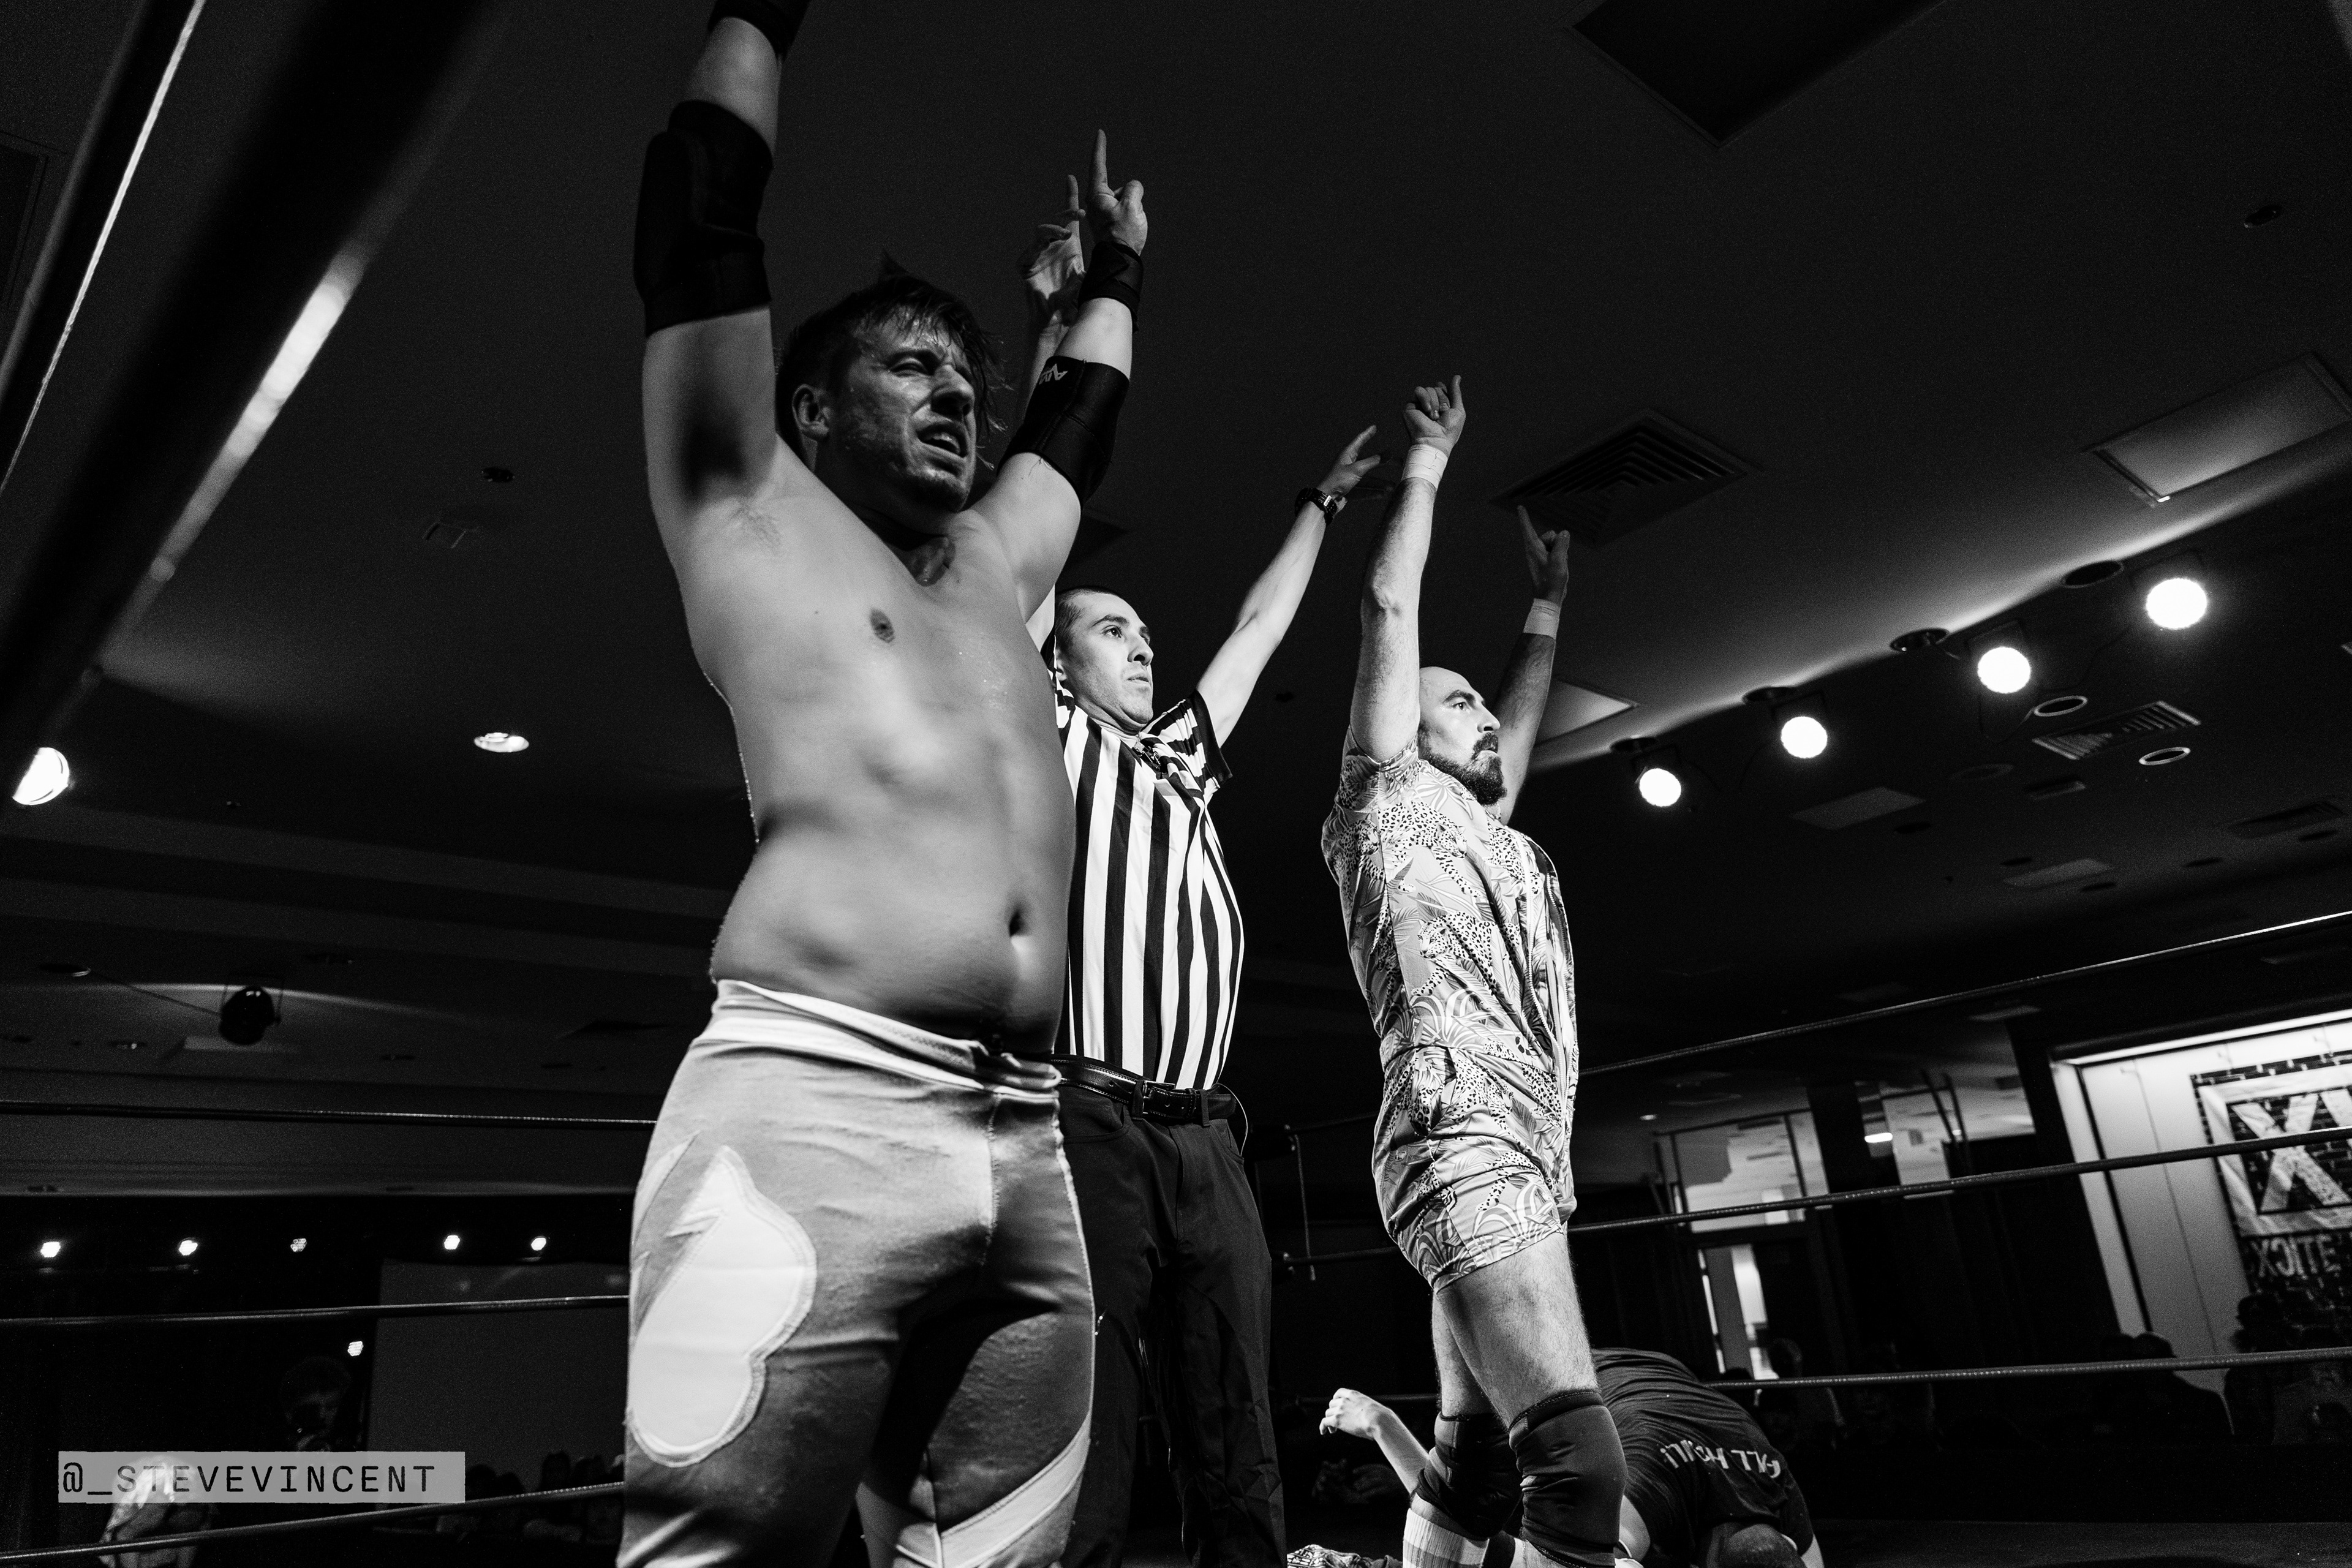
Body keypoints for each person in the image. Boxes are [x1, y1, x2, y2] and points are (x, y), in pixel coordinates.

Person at [622, 2, 1148, 1564]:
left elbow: (1078, 425)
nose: (956, 394)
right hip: (809, 1109)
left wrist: (1118, 274)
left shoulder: (989, 566)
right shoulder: (745, 505)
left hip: (1029, 1139)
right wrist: (760, 15)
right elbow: (698, 218)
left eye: (965, 375)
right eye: (912, 364)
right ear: (809, 407)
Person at [1033, 423, 1384, 1568]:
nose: (1143, 647)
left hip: (1207, 1135)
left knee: (1235, 1407)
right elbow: (1017, 577)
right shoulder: (1046, 732)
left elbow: (1259, 628)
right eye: (1112, 631)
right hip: (1093, 1118)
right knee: (1091, 1409)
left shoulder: (1180, 756)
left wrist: (1318, 506)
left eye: (1145, 632)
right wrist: (1059, 386)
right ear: (1056, 662)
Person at [1319, 378, 1620, 1568]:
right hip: (1463, 1130)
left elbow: (1518, 723)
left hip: (1529, 1145)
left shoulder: (1487, 826)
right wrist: (1430, 461)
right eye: (1459, 701)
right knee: (1581, 1468)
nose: (1486, 715)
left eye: (1485, 705)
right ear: (1405, 723)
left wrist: (1547, 606)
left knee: (1476, 1459)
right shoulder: (1385, 797)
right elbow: (1389, 603)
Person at [1310, 1350, 1823, 1568]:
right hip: (1553, 1384)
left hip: (1659, 1372)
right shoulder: (1644, 1500)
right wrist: (1381, 1426)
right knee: (1484, 1508)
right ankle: (1379, 1419)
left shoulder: (1778, 1494)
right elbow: (1490, 1550)